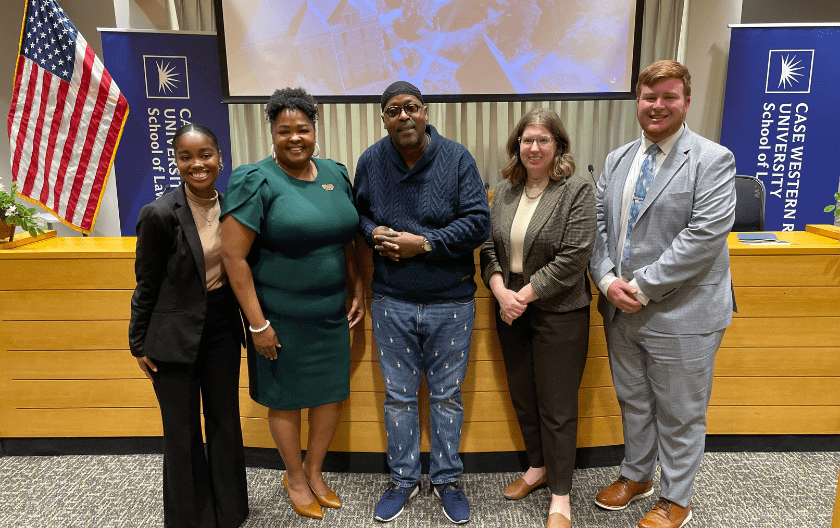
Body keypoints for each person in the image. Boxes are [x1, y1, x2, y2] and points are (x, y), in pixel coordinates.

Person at [589, 60, 736, 528]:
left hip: (682, 311)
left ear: (686, 102)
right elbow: (598, 228)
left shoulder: (713, 159)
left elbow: (704, 236)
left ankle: (677, 497)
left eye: (668, 97)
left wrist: (642, 286)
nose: (657, 106)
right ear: (638, 101)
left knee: (680, 412)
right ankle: (637, 477)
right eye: (649, 97)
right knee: (634, 402)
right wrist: (607, 278)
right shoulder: (617, 159)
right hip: (620, 308)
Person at [220, 87, 364, 521]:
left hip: (331, 314)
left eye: (303, 128)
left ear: (315, 129)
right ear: (272, 133)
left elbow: (349, 237)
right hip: (279, 318)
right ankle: (295, 476)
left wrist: (359, 286)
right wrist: (258, 325)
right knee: (286, 399)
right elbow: (232, 256)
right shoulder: (256, 179)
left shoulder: (336, 174)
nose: (295, 138)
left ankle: (315, 471)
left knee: (329, 396)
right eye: (285, 130)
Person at [354, 81, 491, 525]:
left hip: (450, 303)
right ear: (384, 118)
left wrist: (426, 243)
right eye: (393, 110)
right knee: (398, 398)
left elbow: (477, 223)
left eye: (411, 107)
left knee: (447, 397)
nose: (404, 116)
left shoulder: (456, 159)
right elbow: (357, 215)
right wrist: (373, 232)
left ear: (425, 111)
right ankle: (403, 479)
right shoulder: (372, 161)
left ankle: (447, 478)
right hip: (391, 300)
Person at [129, 123, 249, 528]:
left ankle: (230, 513)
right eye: (187, 157)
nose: (197, 164)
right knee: (181, 431)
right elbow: (146, 283)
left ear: (220, 157)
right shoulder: (159, 214)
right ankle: (189, 519)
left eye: (205, 155)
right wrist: (138, 342)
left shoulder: (233, 205)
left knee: (224, 420)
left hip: (221, 328)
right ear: (176, 162)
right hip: (172, 335)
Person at [479, 108, 595, 528]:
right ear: (517, 146)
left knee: (557, 407)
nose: (534, 147)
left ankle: (561, 497)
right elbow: (488, 246)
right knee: (524, 395)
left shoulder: (577, 190)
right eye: (527, 140)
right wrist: (498, 290)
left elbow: (573, 257)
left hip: (559, 312)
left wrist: (522, 296)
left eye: (543, 140)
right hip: (508, 305)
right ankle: (537, 467)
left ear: (558, 145)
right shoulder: (507, 190)